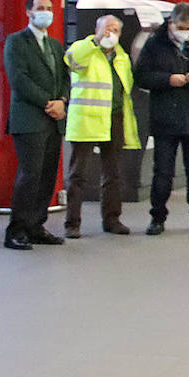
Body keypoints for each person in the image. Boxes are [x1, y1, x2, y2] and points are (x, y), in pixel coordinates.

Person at [134, 2, 189, 235]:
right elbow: (141, 76)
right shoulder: (155, 43)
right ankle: (157, 217)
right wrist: (169, 79)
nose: (186, 31)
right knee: (163, 171)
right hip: (166, 117)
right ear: (171, 23)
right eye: (182, 27)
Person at [2, 0, 71, 250]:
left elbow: (65, 78)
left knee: (47, 176)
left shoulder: (55, 45)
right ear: (29, 13)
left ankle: (36, 226)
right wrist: (48, 104)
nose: (46, 13)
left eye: (49, 9)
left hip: (54, 121)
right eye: (40, 8)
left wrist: (63, 100)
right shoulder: (17, 42)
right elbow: (19, 81)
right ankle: (16, 230)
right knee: (29, 175)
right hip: (30, 119)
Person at [63, 14, 141, 238]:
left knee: (113, 173)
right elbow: (71, 61)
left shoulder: (121, 57)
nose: (111, 33)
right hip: (87, 119)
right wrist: (96, 41)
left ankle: (112, 219)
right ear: (97, 30)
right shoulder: (84, 49)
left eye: (116, 30)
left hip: (114, 118)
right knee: (78, 174)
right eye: (107, 28)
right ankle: (72, 223)